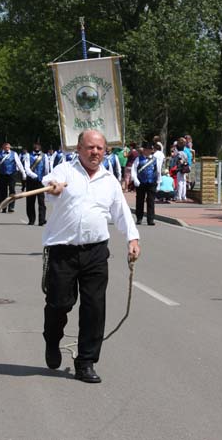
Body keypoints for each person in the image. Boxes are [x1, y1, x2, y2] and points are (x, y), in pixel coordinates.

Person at [41, 129, 140, 383]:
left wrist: (132, 238)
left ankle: (86, 361)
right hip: (63, 250)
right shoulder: (65, 171)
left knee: (94, 308)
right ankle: (52, 340)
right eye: (89, 147)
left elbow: (121, 212)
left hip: (95, 251)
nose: (95, 152)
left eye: (99, 148)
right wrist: (54, 188)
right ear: (79, 149)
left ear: (105, 151)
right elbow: (49, 183)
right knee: (59, 304)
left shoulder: (109, 181)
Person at [131, 141, 161, 225]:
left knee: (151, 201)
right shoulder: (138, 159)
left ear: (151, 150)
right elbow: (133, 169)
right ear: (143, 150)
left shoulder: (155, 159)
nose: (148, 151)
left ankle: (150, 219)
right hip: (141, 182)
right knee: (139, 200)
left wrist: (159, 182)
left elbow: (158, 171)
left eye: (149, 150)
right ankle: (139, 218)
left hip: (152, 182)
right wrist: (135, 179)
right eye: (146, 149)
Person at [0, 141, 27, 213]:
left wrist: (23, 172)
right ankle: (4, 207)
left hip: (12, 174)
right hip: (2, 174)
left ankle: (11, 207)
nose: (6, 148)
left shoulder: (14, 154)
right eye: (5, 146)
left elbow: (19, 164)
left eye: (8, 146)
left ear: (9, 147)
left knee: (12, 190)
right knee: (3, 191)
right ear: (3, 147)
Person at [24, 142, 50, 226]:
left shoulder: (44, 156)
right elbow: (27, 168)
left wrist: (45, 179)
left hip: (40, 182)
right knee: (30, 201)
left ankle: (41, 220)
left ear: (40, 147)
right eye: (35, 145)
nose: (36, 147)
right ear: (33, 146)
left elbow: (46, 169)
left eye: (38, 145)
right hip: (31, 181)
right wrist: (33, 175)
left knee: (41, 202)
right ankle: (31, 220)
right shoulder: (28, 155)